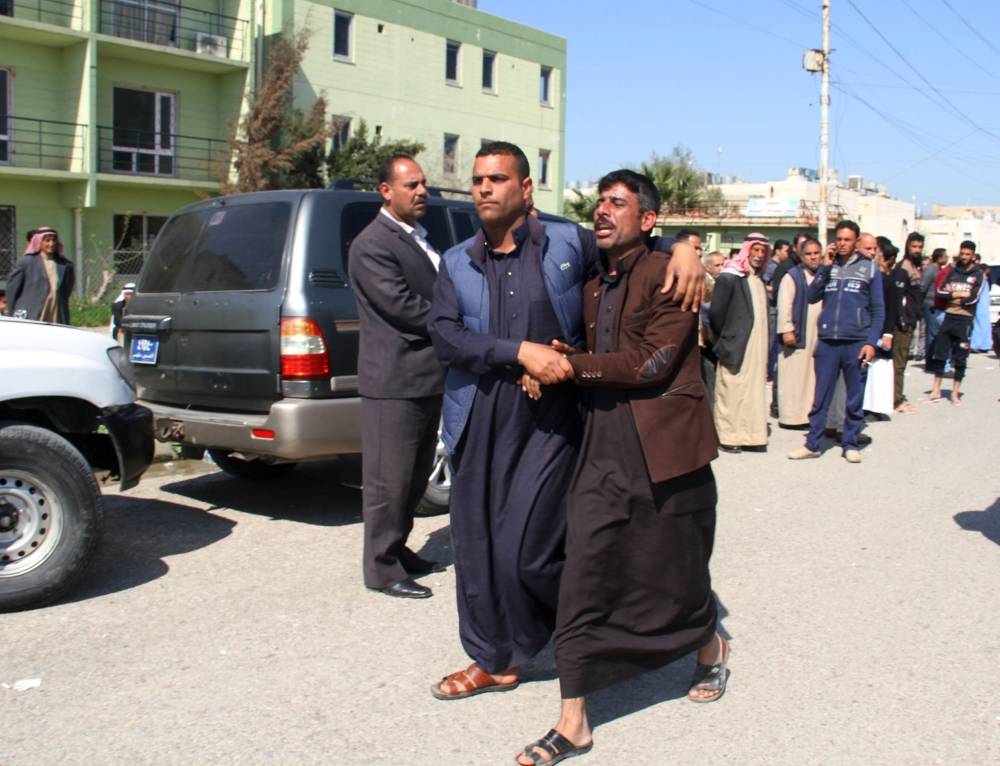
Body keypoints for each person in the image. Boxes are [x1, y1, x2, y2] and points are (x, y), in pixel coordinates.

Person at [427, 142, 704, 700]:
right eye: (479, 179)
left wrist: (686, 247)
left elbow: (630, 242)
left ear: (525, 189)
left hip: (550, 420)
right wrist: (518, 352)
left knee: (527, 548)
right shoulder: (456, 261)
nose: (483, 188)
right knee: (476, 547)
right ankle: (492, 659)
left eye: (497, 179)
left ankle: (609, 624)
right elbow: (446, 336)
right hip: (478, 416)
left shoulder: (567, 244)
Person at [514, 170, 722, 766]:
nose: (602, 211)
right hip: (603, 449)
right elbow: (599, 353)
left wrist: (687, 246)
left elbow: (653, 362)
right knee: (587, 568)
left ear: (648, 220)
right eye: (600, 202)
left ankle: (710, 645)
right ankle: (574, 719)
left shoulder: (673, 274)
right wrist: (563, 357)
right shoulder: (593, 282)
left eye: (618, 203)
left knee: (674, 570)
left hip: (667, 454)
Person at [347, 155, 446, 599]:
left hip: (425, 377)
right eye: (410, 185)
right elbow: (402, 306)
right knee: (390, 480)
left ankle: (398, 548)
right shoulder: (372, 244)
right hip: (394, 381)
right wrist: (455, 325)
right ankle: (381, 568)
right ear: (386, 191)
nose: (421, 191)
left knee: (414, 475)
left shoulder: (418, 236)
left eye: (423, 183)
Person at [789, 219, 885, 464]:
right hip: (828, 342)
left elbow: (878, 309)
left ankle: (850, 443)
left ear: (856, 241)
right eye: (839, 239)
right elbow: (811, 297)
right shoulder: (828, 267)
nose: (842, 244)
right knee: (821, 396)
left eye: (847, 240)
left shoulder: (869, 269)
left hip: (856, 342)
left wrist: (871, 342)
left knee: (854, 397)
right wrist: (824, 267)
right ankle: (813, 444)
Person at [709, 232, 771, 452]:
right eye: (755, 250)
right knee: (732, 389)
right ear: (746, 250)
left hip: (756, 346)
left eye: (763, 251)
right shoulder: (730, 277)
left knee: (752, 390)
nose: (759, 255)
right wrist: (725, 339)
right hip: (735, 344)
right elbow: (716, 314)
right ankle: (728, 437)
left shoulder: (757, 279)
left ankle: (750, 436)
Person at [927, 241, 985, 404]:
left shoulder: (978, 274)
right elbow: (940, 291)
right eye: (962, 253)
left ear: (973, 255)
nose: (964, 257)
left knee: (960, 358)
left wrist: (960, 296)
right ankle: (936, 389)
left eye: (968, 254)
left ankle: (955, 392)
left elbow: (974, 297)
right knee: (940, 354)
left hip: (965, 320)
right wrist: (958, 294)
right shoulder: (952, 271)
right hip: (949, 316)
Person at [776, 237, 823, 428]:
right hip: (797, 333)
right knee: (793, 377)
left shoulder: (823, 275)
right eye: (808, 254)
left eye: (816, 253)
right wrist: (787, 330)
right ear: (801, 256)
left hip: (818, 333)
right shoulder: (792, 276)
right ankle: (791, 418)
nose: (813, 258)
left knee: (812, 376)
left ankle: (808, 415)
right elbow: (784, 304)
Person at [5, 226, 74, 323]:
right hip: (31, 312)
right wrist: (11, 312)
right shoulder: (26, 262)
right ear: (39, 242)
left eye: (54, 240)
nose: (51, 244)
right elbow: (12, 289)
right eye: (47, 240)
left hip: (56, 312)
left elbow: (67, 290)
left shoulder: (66, 265)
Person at [890, 233, 924, 412]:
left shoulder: (914, 267)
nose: (917, 250)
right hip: (903, 322)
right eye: (914, 247)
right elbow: (898, 297)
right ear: (907, 246)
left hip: (911, 319)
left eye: (919, 247)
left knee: (901, 361)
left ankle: (896, 396)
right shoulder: (903, 268)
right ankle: (896, 400)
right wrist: (902, 317)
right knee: (899, 362)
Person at [699, 250, 725, 410]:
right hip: (706, 336)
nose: (721, 268)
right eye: (717, 265)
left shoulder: (719, 282)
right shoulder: (704, 281)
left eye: (722, 264)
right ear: (708, 267)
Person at [921, 247, 948, 358]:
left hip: (937, 304)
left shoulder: (939, 270)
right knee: (932, 332)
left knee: (936, 332)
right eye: (945, 256)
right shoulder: (931, 269)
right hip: (929, 304)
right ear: (939, 258)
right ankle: (930, 359)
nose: (947, 258)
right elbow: (922, 287)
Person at [970, 260, 992, 352]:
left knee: (980, 324)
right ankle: (982, 344)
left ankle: (980, 344)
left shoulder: (982, 279)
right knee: (980, 324)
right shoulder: (981, 279)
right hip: (981, 305)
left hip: (982, 306)